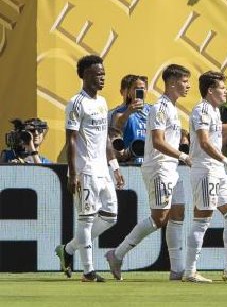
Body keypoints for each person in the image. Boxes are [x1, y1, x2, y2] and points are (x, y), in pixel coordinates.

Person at [106, 64, 193, 281]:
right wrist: (183, 156)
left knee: (178, 214)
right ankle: (117, 254)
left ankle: (177, 270)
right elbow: (157, 141)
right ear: (172, 83)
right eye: (184, 81)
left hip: (171, 168)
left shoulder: (170, 107)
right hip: (158, 168)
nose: (188, 85)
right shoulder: (160, 108)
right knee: (159, 218)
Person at [55, 55, 125, 282]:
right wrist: (73, 173)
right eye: (98, 74)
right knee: (86, 219)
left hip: (102, 170)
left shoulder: (102, 102)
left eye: (104, 74)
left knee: (111, 216)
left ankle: (68, 249)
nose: (102, 78)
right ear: (85, 75)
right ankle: (88, 272)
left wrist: (115, 167)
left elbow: (105, 138)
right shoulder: (76, 103)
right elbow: (71, 140)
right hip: (83, 170)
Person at [183, 71, 227, 282]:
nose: (225, 91)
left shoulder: (214, 110)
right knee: (202, 220)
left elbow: (220, 130)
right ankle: (190, 271)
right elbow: (204, 142)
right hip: (205, 170)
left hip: (216, 170)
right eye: (222, 88)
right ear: (210, 90)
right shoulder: (201, 110)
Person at [110, 74, 150, 164]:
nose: (139, 91)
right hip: (130, 163)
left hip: (149, 163)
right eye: (135, 88)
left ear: (146, 91)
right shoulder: (120, 113)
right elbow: (116, 136)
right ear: (130, 92)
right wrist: (128, 112)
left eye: (142, 88)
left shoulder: (152, 111)